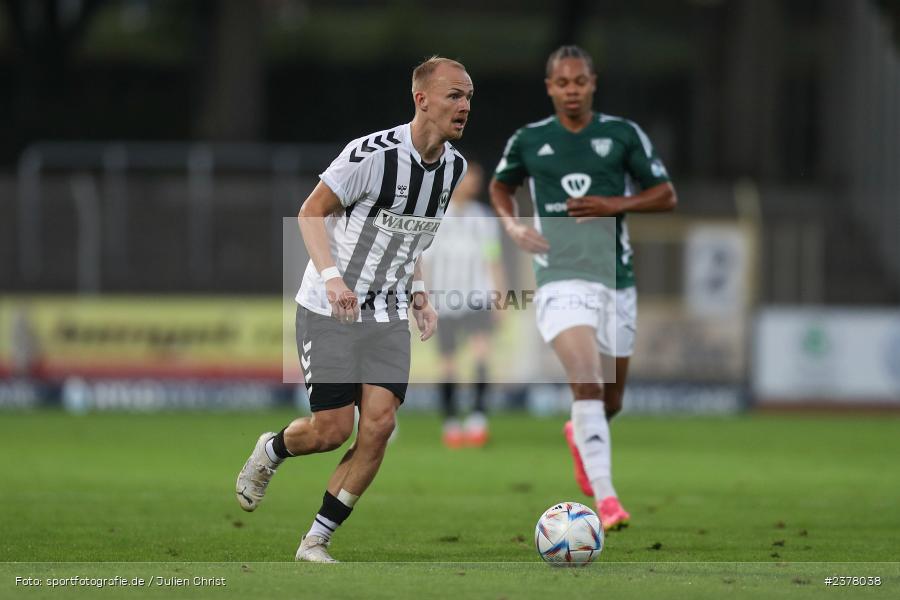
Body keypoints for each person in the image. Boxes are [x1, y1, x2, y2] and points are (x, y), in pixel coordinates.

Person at [235, 56, 473, 562]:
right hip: (330, 307)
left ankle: (316, 538)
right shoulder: (369, 155)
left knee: (381, 425)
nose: (464, 105)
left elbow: (410, 241)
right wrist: (333, 279)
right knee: (332, 431)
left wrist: (419, 295)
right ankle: (272, 450)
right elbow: (310, 212)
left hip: (386, 313)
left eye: (469, 97)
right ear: (422, 99)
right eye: (454, 95)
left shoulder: (454, 168)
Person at [489, 45, 676, 531]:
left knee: (610, 401)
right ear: (549, 87)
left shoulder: (621, 134)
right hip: (559, 277)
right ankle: (608, 501)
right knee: (587, 382)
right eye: (562, 83)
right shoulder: (530, 140)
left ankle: (580, 433)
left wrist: (616, 203)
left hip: (616, 280)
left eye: (580, 82)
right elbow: (500, 187)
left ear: (593, 83)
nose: (571, 90)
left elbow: (666, 195)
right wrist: (512, 227)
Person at [422, 162, 504, 448]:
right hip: (443, 300)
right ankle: (451, 421)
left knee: (482, 353)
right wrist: (422, 300)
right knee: (448, 363)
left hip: (477, 297)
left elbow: (492, 259)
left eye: (477, 180)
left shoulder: (484, 218)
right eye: (470, 180)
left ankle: (478, 418)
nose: (474, 185)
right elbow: (425, 262)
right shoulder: (434, 218)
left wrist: (499, 296)